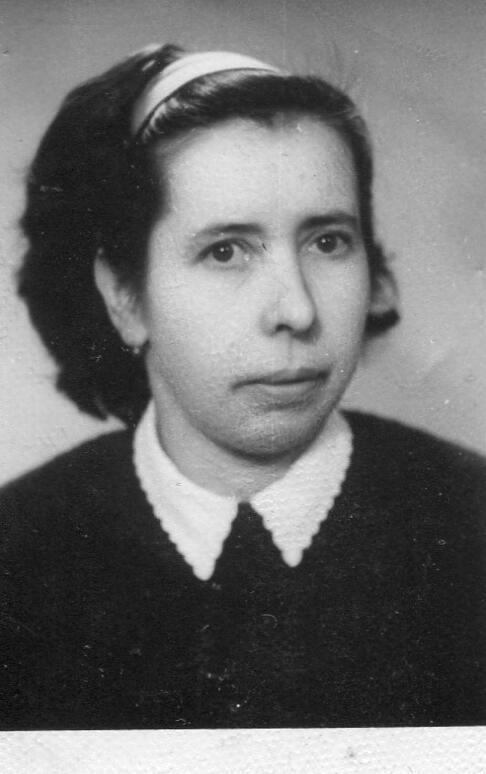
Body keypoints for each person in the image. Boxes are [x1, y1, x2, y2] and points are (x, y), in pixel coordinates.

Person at [0, 44, 484, 730]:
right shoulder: (18, 552)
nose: (297, 310)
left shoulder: (470, 523)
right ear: (125, 296)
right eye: (225, 250)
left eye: (327, 241)